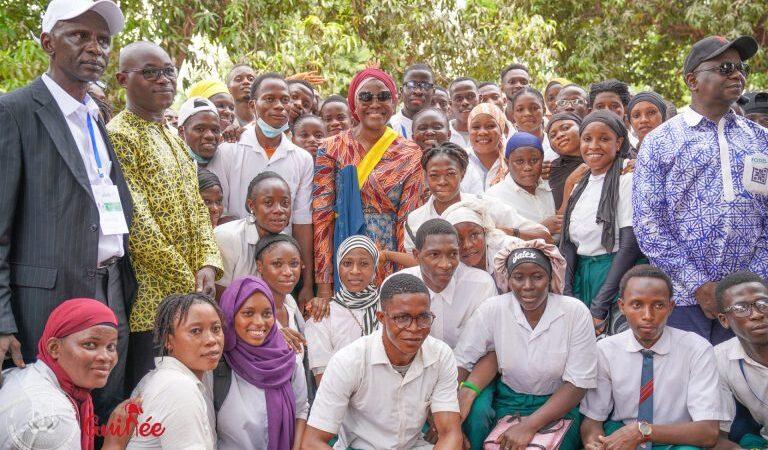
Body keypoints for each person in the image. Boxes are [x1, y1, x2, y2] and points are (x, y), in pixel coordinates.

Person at [0, 0, 136, 424]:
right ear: (47, 42)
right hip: (45, 300)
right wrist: (3, 319)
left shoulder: (94, 115)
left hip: (110, 285)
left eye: (102, 40)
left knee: (100, 409)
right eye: (79, 36)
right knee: (51, 417)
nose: (94, 47)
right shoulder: (15, 111)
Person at [633, 35, 767, 345]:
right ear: (692, 80)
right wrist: (699, 286)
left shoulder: (760, 139)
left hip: (751, 302)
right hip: (684, 299)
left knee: (745, 387)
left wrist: (750, 284)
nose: (737, 74)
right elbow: (649, 223)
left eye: (741, 67)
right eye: (725, 67)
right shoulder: (661, 141)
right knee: (688, 388)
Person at [109, 41, 222, 388]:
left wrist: (206, 262)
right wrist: (186, 280)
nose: (163, 80)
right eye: (150, 73)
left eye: (168, 71)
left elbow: (198, 209)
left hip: (192, 298)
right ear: (123, 79)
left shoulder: (172, 137)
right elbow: (137, 224)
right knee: (157, 401)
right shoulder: (119, 136)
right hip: (153, 306)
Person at [455, 241, 597, 450]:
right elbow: (463, 361)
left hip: (559, 406)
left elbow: (578, 385)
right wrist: (457, 406)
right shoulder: (494, 309)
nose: (527, 286)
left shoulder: (574, 312)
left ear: (550, 278)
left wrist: (529, 426)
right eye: (518, 277)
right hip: (508, 402)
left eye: (537, 276)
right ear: (508, 279)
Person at [301, 273, 463, 450]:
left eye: (423, 317)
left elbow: (450, 433)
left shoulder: (440, 355)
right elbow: (312, 442)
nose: (414, 328)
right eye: (402, 318)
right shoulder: (349, 361)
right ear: (381, 318)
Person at [580, 265, 725, 450]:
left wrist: (642, 431)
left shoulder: (697, 349)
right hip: (623, 436)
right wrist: (594, 443)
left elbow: (708, 433)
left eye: (658, 305)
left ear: (671, 307)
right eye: (637, 305)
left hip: (677, 440)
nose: (648, 316)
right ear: (622, 307)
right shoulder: (605, 350)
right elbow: (593, 419)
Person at [312, 67, 425, 293]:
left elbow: (408, 219)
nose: (375, 103)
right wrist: (324, 285)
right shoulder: (331, 147)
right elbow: (322, 219)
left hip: (387, 254)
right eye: (365, 97)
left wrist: (405, 278)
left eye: (383, 96)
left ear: (393, 102)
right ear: (353, 103)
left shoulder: (410, 152)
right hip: (343, 250)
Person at [208, 72, 315, 304]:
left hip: (282, 269)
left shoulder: (302, 158)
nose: (279, 106)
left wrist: (306, 284)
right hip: (235, 260)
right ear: (252, 105)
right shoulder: (228, 150)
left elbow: (302, 222)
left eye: (285, 100)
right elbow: (218, 211)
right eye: (269, 99)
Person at [0, 298, 136, 450]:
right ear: (54, 348)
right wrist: (114, 444)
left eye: (111, 346)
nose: (105, 357)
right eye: (90, 344)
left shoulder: (21, 375)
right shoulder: (52, 420)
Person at [216, 276, 309, 450]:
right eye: (248, 313)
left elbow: (300, 410)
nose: (259, 322)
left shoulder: (289, 358)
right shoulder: (216, 364)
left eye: (267, 314)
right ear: (230, 315)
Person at [404, 142, 546, 254]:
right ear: (425, 178)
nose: (442, 181)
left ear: (463, 173)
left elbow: (544, 236)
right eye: (434, 175)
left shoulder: (485, 206)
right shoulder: (415, 220)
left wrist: (506, 231)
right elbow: (416, 262)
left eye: (450, 173)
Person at [127, 293, 224, 450]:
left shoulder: (164, 378)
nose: (211, 339)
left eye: (216, 329)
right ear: (168, 340)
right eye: (196, 331)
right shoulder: (179, 387)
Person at [397, 218, 497, 349]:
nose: (446, 264)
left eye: (453, 254)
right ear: (416, 255)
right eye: (434, 254)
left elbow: (487, 348)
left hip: (467, 368)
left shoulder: (481, 285)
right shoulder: (398, 287)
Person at [304, 236, 381, 383]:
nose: (355, 271)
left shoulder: (389, 308)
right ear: (338, 266)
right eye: (347, 263)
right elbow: (324, 381)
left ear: (375, 268)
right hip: (343, 400)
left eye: (364, 264)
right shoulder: (323, 316)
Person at [714, 272, 768, 449]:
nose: (757, 314)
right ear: (724, 320)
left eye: (763, 304)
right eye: (740, 308)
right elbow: (717, 437)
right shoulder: (719, 358)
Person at [214, 171, 291, 289]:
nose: (279, 210)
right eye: (268, 203)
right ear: (251, 206)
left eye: (285, 203)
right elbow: (220, 300)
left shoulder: (286, 243)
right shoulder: (226, 237)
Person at [486, 132, 560, 234]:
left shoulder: (551, 185)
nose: (527, 167)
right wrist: (542, 229)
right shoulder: (494, 197)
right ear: (507, 163)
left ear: (542, 159)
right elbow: (495, 236)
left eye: (534, 160)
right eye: (519, 162)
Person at [254, 234, 307, 356]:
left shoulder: (289, 303)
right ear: (260, 266)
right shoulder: (249, 308)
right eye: (277, 264)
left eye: (294, 264)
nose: (288, 272)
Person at [460, 102, 507, 194]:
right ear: (469, 130)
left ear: (501, 129)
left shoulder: (511, 160)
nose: (482, 132)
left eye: (490, 126)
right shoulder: (459, 160)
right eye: (476, 127)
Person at [508, 87, 558, 161]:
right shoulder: (507, 148)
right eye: (520, 109)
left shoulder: (557, 143)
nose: (527, 113)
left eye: (534, 108)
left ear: (543, 110)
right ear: (513, 114)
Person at [546, 112, 584, 210]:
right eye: (553, 136)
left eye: (566, 128)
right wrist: (570, 182)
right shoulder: (550, 172)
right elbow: (558, 219)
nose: (559, 135)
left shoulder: (603, 159)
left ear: (582, 128)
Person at [390, 63, 435, 139]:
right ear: (401, 91)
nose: (418, 91)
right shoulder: (390, 126)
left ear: (433, 93)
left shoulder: (441, 128)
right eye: (411, 84)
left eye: (425, 85)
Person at [177, 97, 221, 167]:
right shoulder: (171, 168)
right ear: (181, 132)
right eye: (200, 129)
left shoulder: (228, 159)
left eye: (215, 130)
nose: (210, 136)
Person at [448, 76, 480, 148]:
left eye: (470, 96)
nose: (465, 102)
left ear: (480, 99)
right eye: (458, 99)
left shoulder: (493, 132)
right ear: (450, 104)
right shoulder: (442, 134)